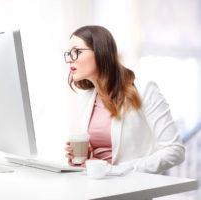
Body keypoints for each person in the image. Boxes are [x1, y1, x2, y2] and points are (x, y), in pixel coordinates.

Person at [64, 25, 185, 174]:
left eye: (77, 52)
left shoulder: (144, 90)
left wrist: (115, 170)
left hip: (130, 191)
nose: (69, 59)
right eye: (68, 53)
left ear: (101, 52)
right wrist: (83, 160)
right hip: (96, 188)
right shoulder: (87, 98)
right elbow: (104, 157)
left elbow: (175, 151)